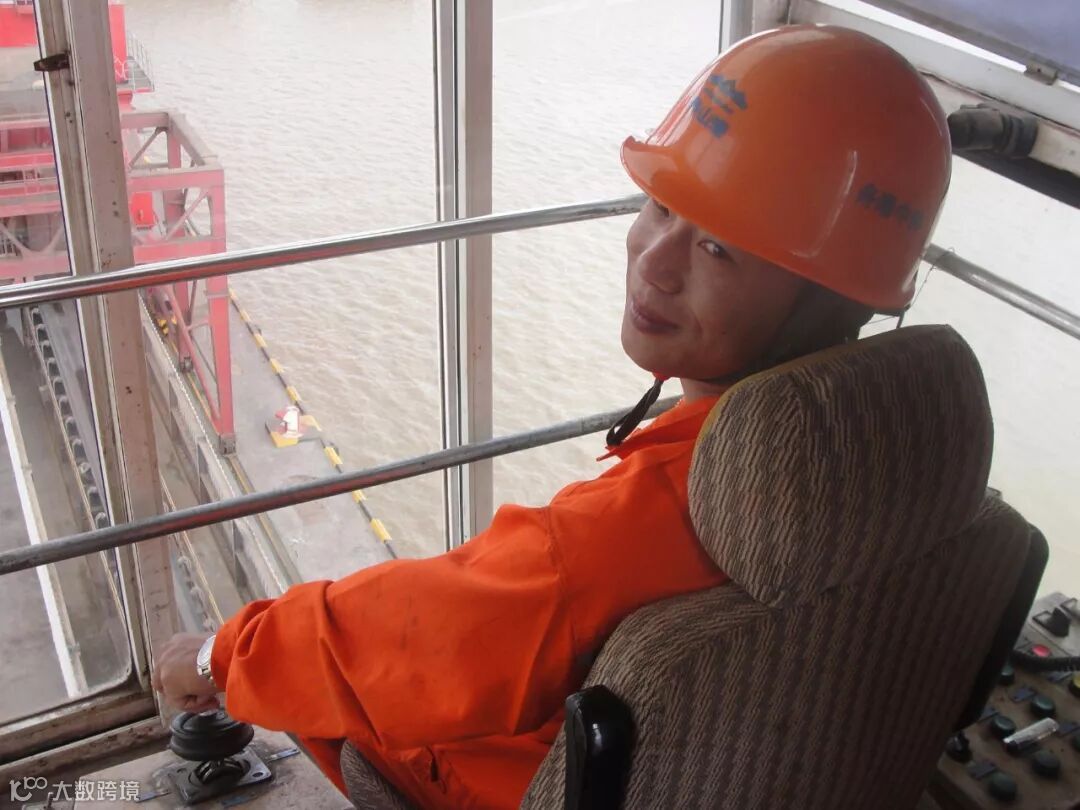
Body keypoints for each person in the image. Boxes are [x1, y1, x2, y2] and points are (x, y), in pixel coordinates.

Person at [152, 24, 951, 810]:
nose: (653, 261)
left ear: (827, 300)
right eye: (659, 206)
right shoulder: (915, 460)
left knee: (353, 704)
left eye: (717, 250)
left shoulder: (621, 532)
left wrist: (223, 656)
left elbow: (408, 644)